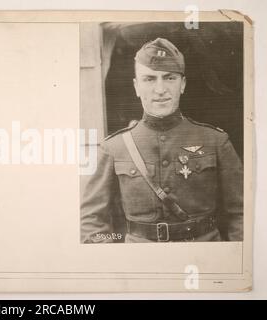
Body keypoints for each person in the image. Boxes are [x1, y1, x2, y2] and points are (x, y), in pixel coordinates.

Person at [81, 38, 243, 243]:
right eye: (149, 79)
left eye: (169, 78)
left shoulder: (215, 141)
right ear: (136, 86)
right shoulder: (114, 148)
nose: (160, 89)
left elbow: (242, 213)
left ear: (182, 84)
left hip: (202, 257)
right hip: (141, 264)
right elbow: (91, 219)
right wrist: (113, 260)